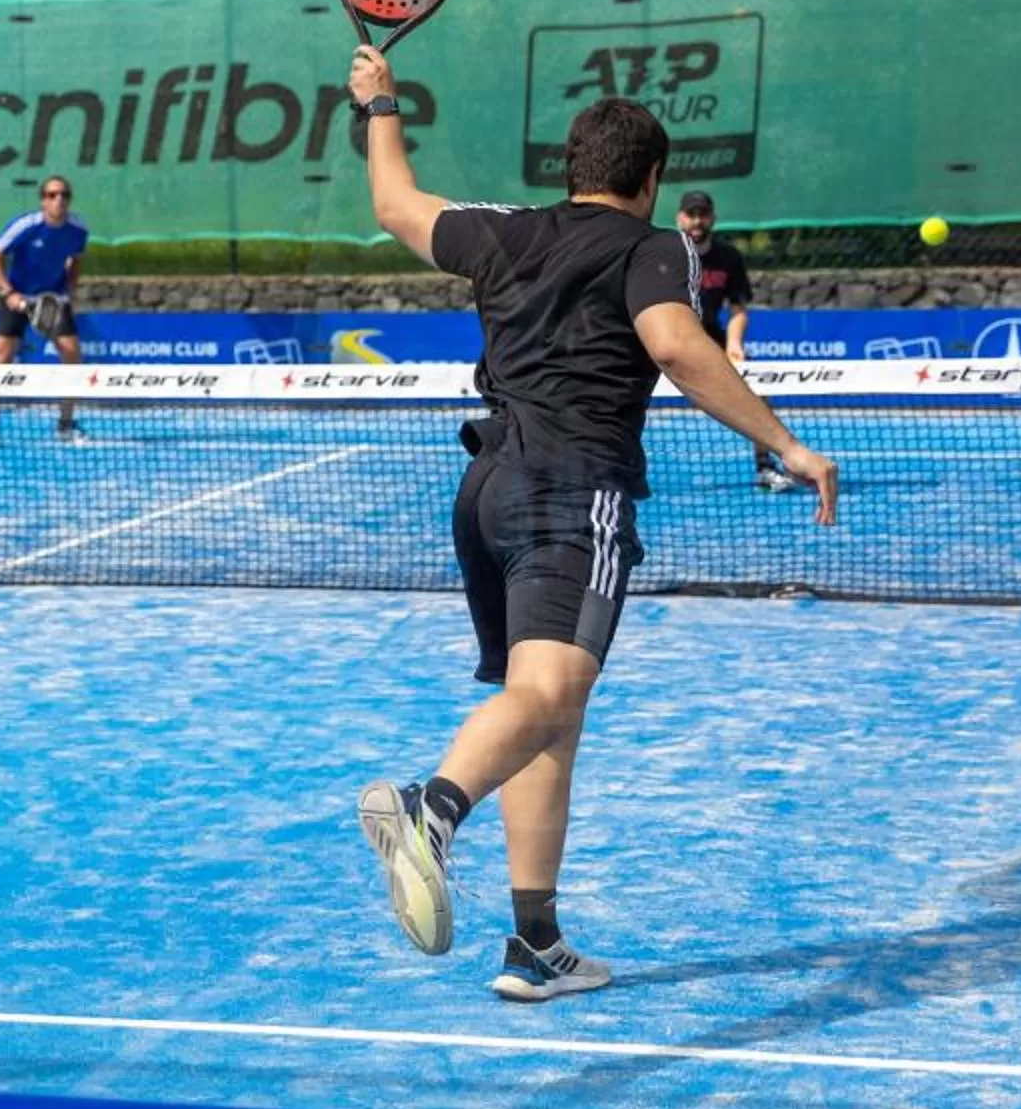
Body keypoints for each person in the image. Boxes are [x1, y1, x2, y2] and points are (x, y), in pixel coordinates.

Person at [345, 52, 836, 1000]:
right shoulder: (657, 249)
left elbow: (396, 204)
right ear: (649, 181)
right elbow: (675, 344)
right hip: (575, 493)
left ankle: (535, 941)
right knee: (545, 701)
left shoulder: (506, 232)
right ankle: (430, 810)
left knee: (548, 714)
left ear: (571, 170)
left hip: (485, 492)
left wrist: (382, 104)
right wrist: (784, 443)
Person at [677, 191, 794, 492]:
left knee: (759, 392)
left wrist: (734, 345)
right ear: (680, 218)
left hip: (711, 339)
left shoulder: (728, 257)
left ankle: (766, 467)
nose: (697, 221)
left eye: (702, 214)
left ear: (713, 218)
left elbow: (738, 310)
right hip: (667, 339)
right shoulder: (665, 254)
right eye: (691, 214)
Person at [0, 175, 88, 443]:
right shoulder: (25, 226)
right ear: (43, 200)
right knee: (1, 359)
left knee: (73, 356)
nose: (59, 200)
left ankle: (65, 424)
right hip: (17, 298)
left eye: (64, 194)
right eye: (52, 195)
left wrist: (68, 290)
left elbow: (76, 259)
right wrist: (8, 293)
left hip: (53, 299)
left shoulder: (78, 229)